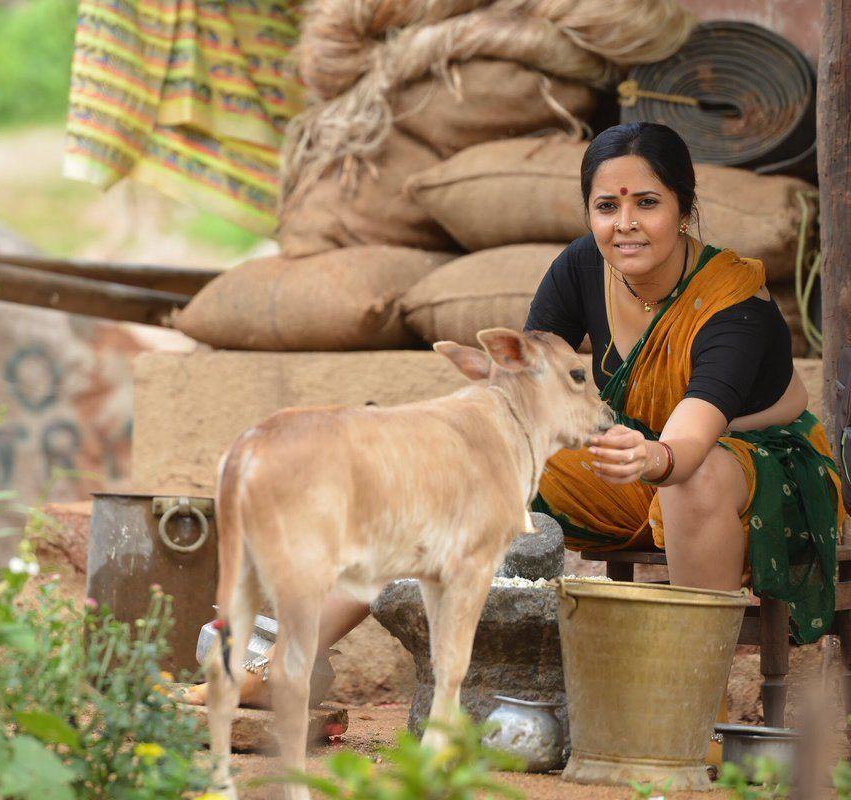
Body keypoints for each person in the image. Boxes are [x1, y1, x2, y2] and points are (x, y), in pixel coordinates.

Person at [183, 122, 845, 710]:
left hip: (752, 467)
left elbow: (692, 434)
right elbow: (524, 390)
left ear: (682, 206)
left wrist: (655, 458)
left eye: (647, 203)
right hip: (634, 453)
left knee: (691, 479)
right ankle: (281, 663)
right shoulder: (581, 268)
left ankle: (687, 710)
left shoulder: (731, 298)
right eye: (606, 206)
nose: (625, 224)